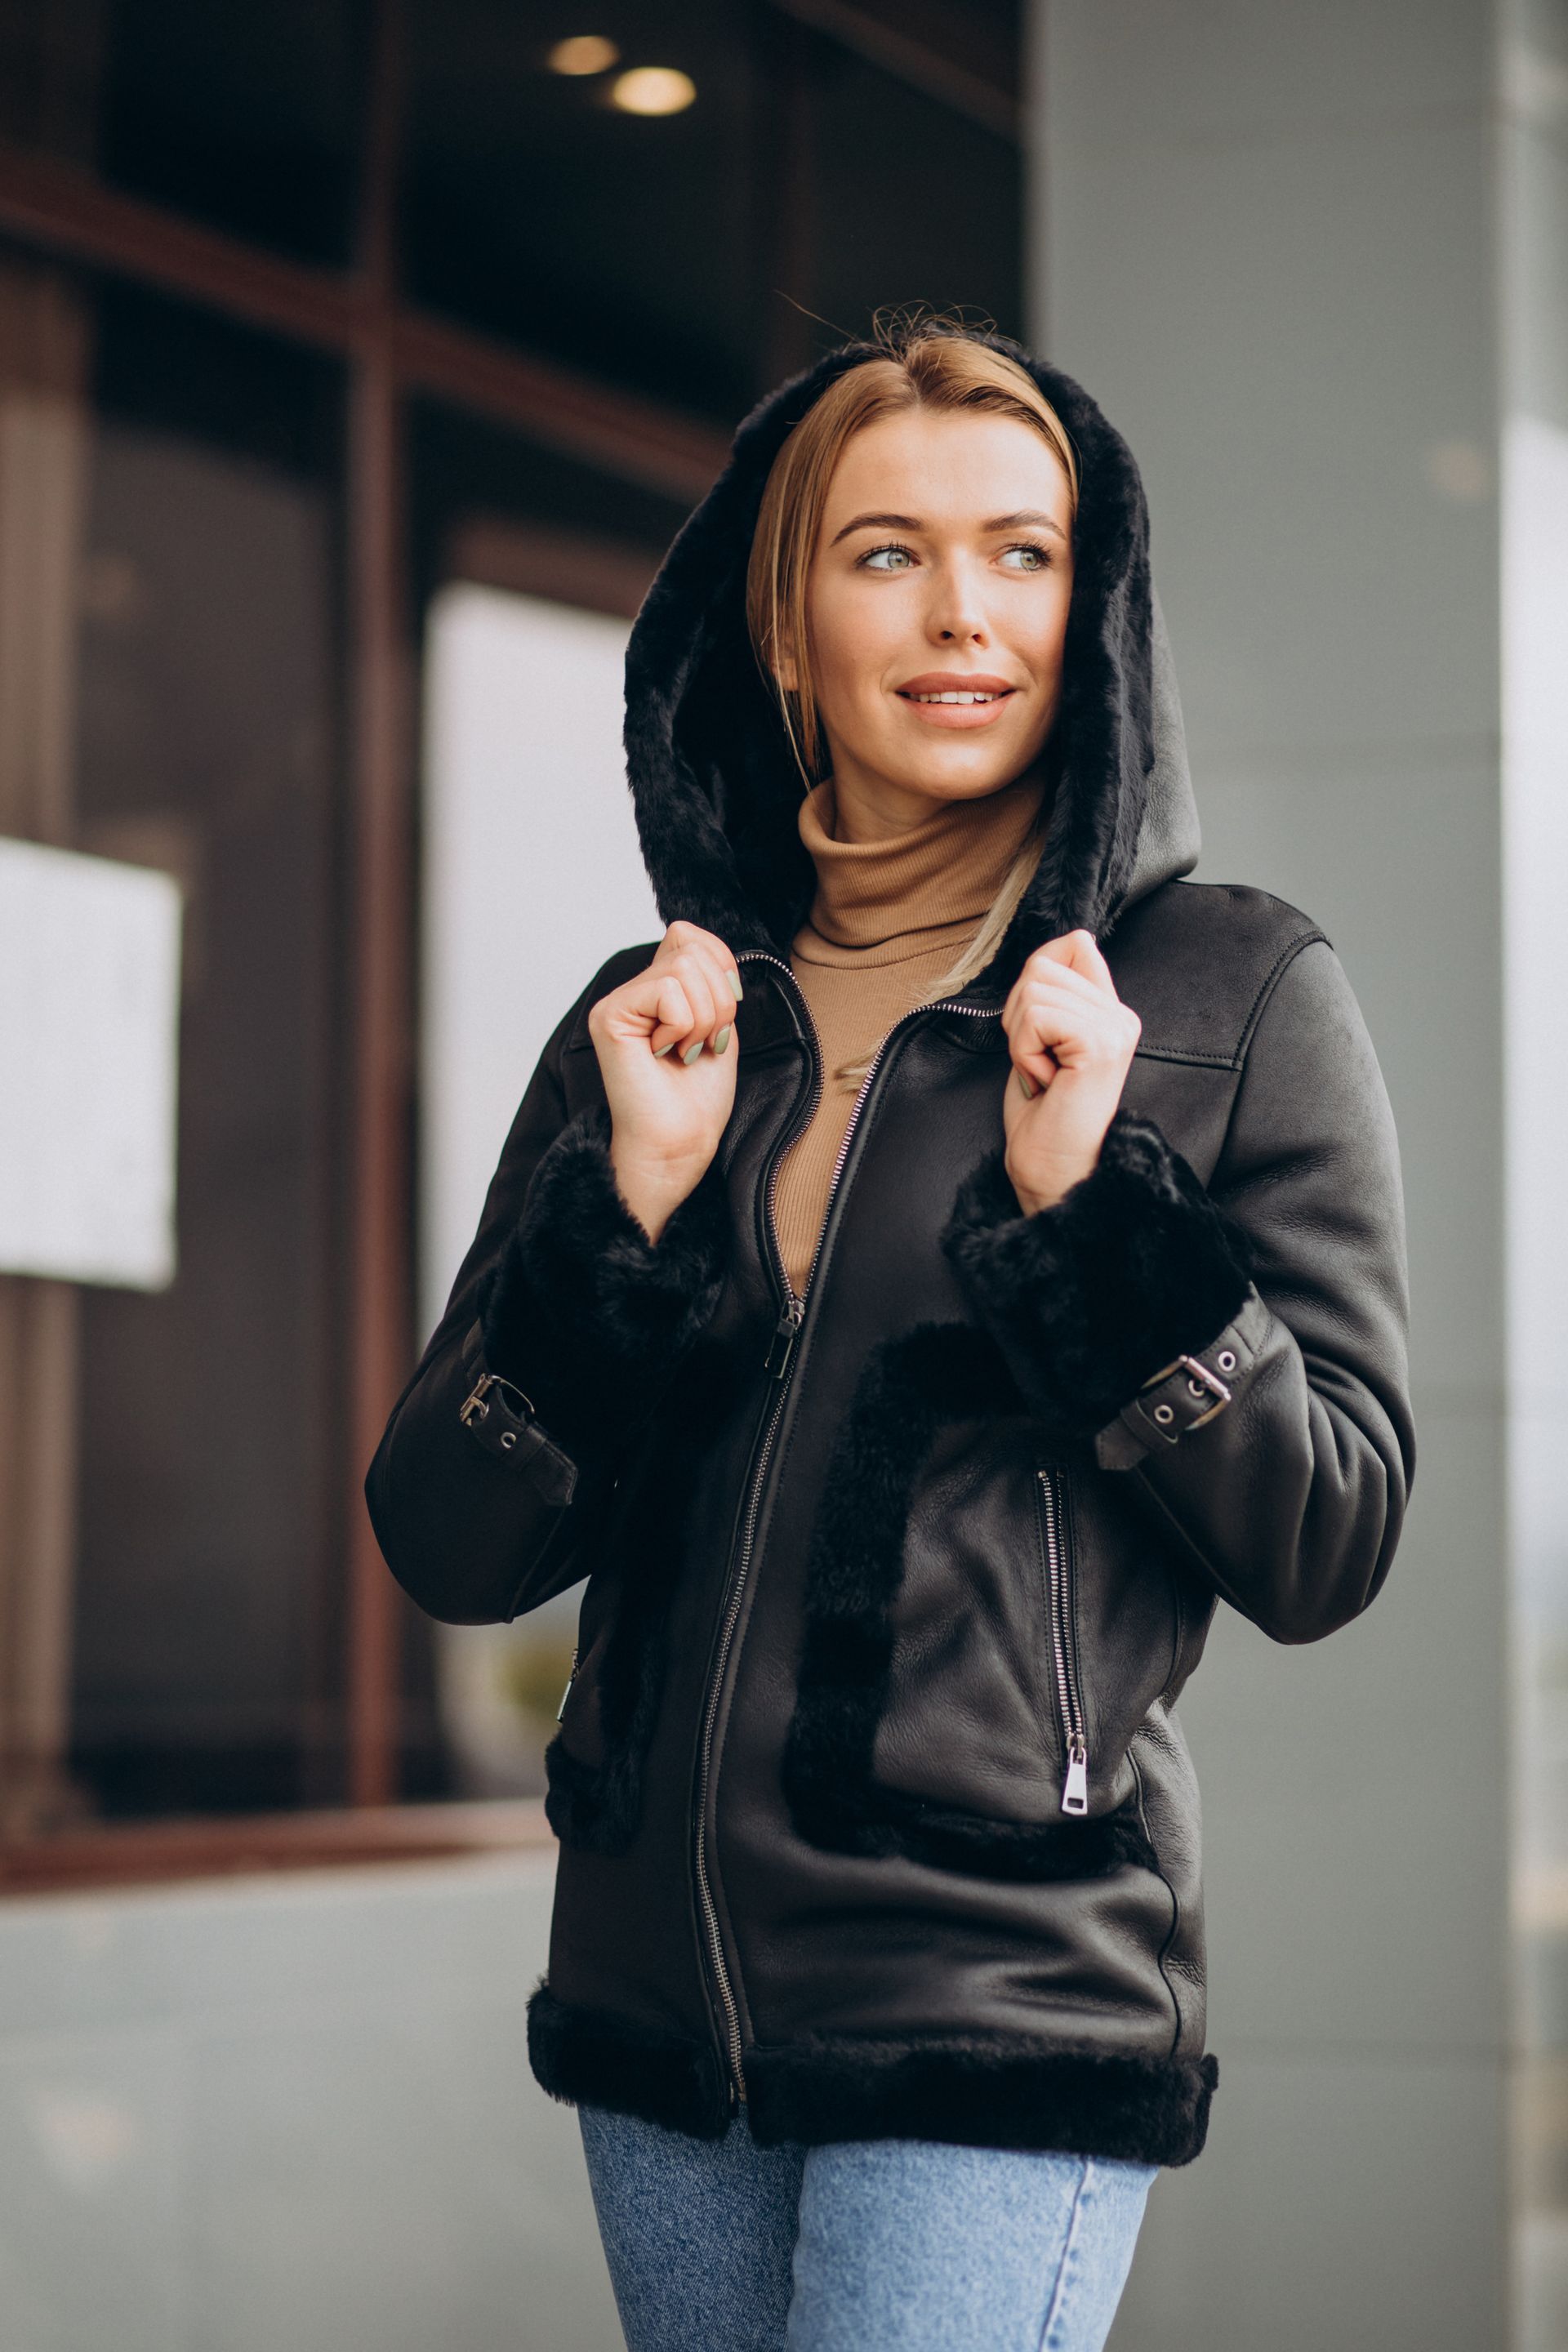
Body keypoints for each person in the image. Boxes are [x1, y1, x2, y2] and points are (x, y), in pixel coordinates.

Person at [366, 317, 1414, 2351]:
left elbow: (1330, 1535)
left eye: (1024, 554)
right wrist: (633, 1214)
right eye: (888, 554)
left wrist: (1098, 1212)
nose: (964, 615)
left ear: (1091, 611)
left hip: (998, 2006)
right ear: (786, 628)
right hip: (658, 2016)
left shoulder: (1226, 993)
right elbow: (450, 1540)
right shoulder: (663, 1017)